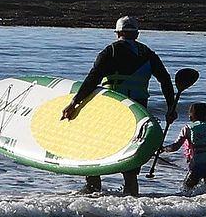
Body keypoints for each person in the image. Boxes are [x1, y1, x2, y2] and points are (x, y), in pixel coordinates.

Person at [60, 16, 177, 197]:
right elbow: (165, 80)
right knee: (131, 161)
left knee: (94, 150)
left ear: (118, 33)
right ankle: (131, 202)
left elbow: (93, 79)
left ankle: (93, 193)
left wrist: (74, 103)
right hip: (138, 110)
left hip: (111, 109)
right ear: (136, 34)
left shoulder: (111, 51)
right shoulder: (149, 54)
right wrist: (171, 107)